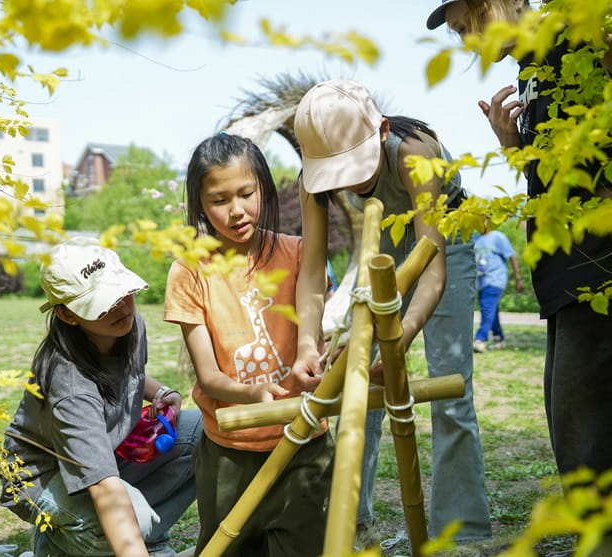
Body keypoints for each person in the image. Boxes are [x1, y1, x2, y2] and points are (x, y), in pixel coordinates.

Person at [427, 1, 612, 555]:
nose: (463, 43)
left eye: (464, 27)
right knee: (583, 419)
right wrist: (516, 148)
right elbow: (565, 178)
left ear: (493, 6)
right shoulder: (533, 71)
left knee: (601, 420)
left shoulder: (581, 32)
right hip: (576, 276)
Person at [292, 79, 491, 547]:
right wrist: (307, 341)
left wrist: (396, 338)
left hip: (444, 235)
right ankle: (347, 517)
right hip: (380, 239)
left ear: (381, 131)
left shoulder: (415, 153)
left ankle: (460, 531)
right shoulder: (312, 179)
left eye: (354, 167)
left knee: (450, 384)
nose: (349, 181)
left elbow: (432, 268)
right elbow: (311, 272)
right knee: (354, 377)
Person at [163, 132, 333, 557]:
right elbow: (209, 376)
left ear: (264, 188)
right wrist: (252, 394)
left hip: (303, 443)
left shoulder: (299, 256)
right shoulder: (189, 272)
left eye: (246, 193)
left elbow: (325, 341)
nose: (236, 210)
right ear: (200, 204)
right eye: (220, 199)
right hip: (229, 453)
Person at [0, 237, 202, 557]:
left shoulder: (128, 324)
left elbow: (127, 372)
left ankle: (130, 538)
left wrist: (162, 392)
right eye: (103, 302)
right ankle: (58, 544)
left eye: (122, 293)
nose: (121, 305)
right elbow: (105, 487)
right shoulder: (69, 385)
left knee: (200, 430)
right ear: (67, 315)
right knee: (130, 517)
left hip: (103, 452)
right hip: (42, 475)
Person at [472, 220, 524, 353]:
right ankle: (499, 338)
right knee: (491, 310)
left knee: (486, 308)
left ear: (488, 221)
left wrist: (518, 278)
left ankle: (480, 339)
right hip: (481, 281)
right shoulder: (475, 238)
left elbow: (512, 256)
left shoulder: (498, 237)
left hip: (495, 279)